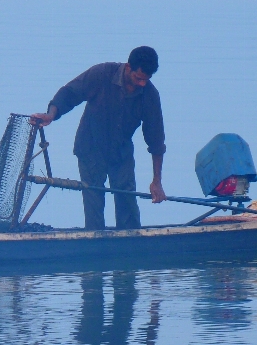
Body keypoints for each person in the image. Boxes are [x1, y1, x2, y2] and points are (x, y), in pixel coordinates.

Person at [31, 46, 166, 231]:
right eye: (138, 78)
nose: (142, 84)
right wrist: (51, 115)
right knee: (94, 200)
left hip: (121, 153)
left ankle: (130, 249)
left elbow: (156, 141)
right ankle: (96, 246)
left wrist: (156, 181)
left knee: (127, 201)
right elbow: (70, 93)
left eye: (146, 80)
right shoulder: (102, 74)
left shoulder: (150, 95)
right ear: (128, 67)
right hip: (90, 149)